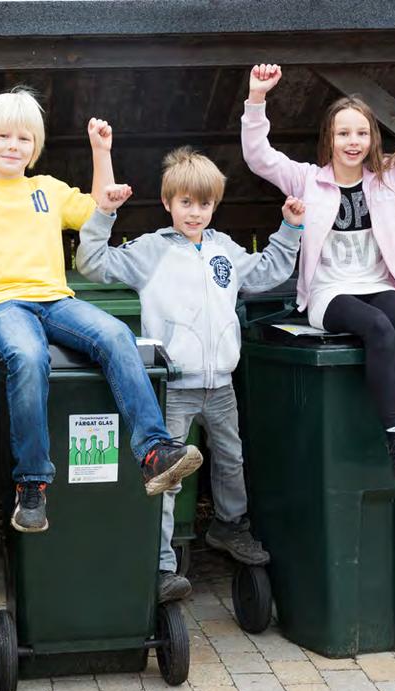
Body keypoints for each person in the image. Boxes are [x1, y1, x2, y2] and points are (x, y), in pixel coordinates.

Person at [0, 87, 202, 536]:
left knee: (115, 336)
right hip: (2, 304)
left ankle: (154, 453)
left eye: (24, 139)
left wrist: (101, 150)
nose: (13, 146)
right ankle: (32, 485)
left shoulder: (47, 190)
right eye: (3, 138)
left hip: (55, 300)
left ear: (35, 147)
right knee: (29, 357)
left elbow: (99, 206)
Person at [76, 145, 304, 601]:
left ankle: (230, 525)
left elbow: (265, 273)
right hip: (174, 387)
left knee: (231, 459)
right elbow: (92, 263)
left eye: (204, 204)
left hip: (221, 386)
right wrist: (103, 215)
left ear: (214, 206)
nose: (195, 212)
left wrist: (291, 227)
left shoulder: (224, 250)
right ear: (168, 203)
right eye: (185, 203)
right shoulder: (151, 251)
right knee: (168, 476)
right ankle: (162, 563)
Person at [241, 54, 395, 491]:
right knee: (379, 331)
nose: (354, 141)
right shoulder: (307, 180)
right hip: (330, 294)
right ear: (329, 137)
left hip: (378, 285)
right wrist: (256, 100)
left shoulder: (388, 177)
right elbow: (258, 157)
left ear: (372, 138)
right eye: (344, 132)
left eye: (362, 132)